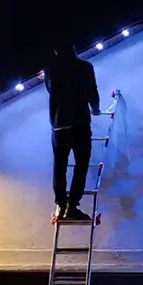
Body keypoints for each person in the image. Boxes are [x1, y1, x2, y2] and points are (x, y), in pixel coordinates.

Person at [44, 42, 101, 221]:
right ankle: (72, 207)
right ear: (74, 49)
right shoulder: (85, 67)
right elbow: (92, 91)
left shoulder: (50, 70)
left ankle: (61, 205)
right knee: (81, 165)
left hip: (58, 125)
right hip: (79, 124)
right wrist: (96, 108)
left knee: (59, 167)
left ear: (55, 50)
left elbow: (50, 90)